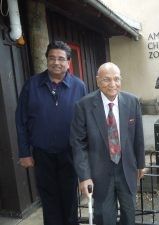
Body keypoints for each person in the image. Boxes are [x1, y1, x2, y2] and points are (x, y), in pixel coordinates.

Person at [15, 41, 87, 225]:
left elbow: (85, 123)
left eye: (61, 59)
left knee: (70, 200)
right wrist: (24, 153)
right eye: (52, 58)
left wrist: (85, 154)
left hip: (69, 153)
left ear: (68, 62)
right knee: (49, 201)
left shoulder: (79, 87)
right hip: (42, 154)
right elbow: (21, 120)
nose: (57, 62)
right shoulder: (32, 85)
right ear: (47, 60)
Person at [70, 62, 145, 225]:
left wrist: (141, 164)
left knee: (129, 214)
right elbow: (78, 144)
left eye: (116, 79)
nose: (112, 84)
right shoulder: (83, 105)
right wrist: (84, 176)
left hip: (127, 170)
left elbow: (138, 136)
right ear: (98, 81)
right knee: (104, 217)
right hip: (99, 172)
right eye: (106, 79)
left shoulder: (132, 102)